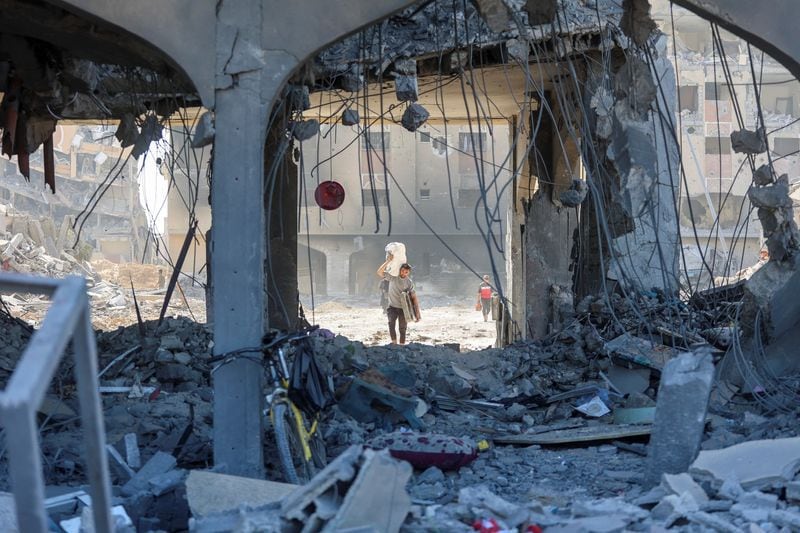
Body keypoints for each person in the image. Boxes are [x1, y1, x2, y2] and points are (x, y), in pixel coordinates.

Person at [376, 253, 420, 344]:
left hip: (404, 309)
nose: (404, 273)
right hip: (392, 307)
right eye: (403, 271)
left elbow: (413, 297)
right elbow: (379, 272)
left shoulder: (409, 282)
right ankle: (394, 344)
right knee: (391, 324)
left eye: (406, 272)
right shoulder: (393, 278)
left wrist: (417, 313)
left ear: (409, 272)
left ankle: (402, 346)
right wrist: (388, 261)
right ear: (400, 270)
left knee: (402, 329)